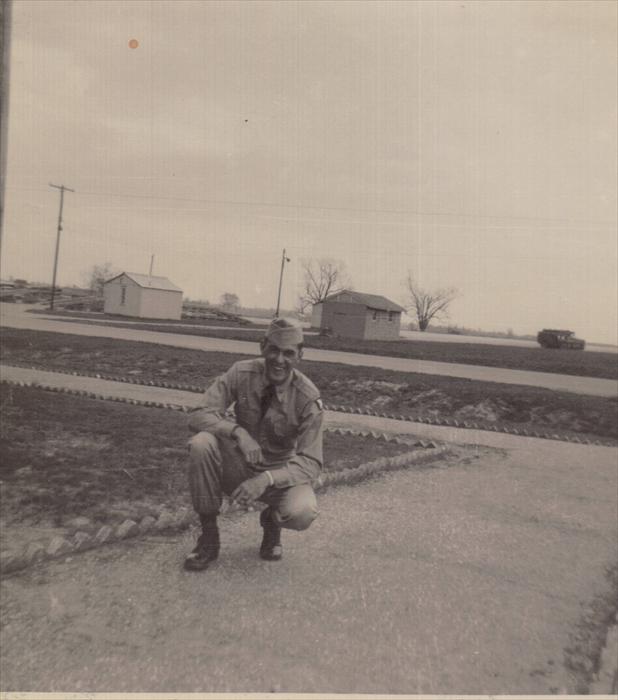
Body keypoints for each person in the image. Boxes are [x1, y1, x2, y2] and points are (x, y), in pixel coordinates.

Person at [184, 317, 324, 571]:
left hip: (278, 475)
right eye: (273, 350)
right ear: (262, 346)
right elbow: (197, 413)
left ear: (300, 356)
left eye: (288, 353)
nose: (279, 360)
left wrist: (266, 479)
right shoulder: (241, 372)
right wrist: (237, 431)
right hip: (239, 464)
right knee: (201, 443)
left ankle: (272, 520)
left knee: (303, 512)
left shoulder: (307, 397)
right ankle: (209, 536)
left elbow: (311, 463)